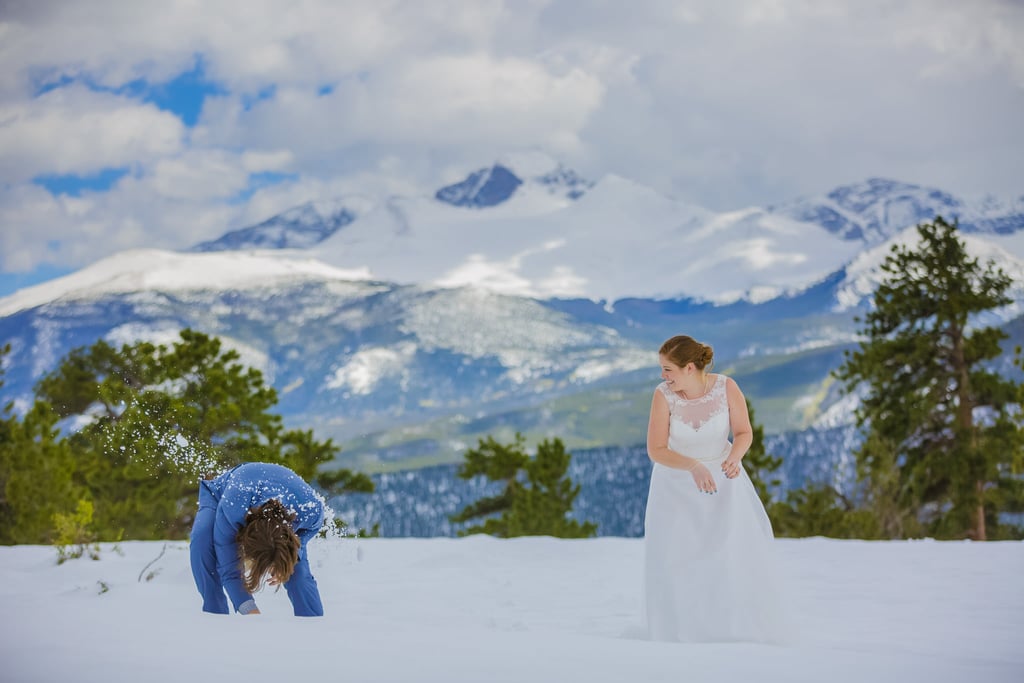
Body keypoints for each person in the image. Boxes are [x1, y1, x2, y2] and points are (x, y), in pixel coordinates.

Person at [643, 335, 783, 642]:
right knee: (678, 558)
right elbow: (656, 449)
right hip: (675, 487)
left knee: (726, 555)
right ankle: (679, 632)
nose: (663, 376)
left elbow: (744, 432)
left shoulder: (726, 388)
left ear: (689, 367)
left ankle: (727, 630)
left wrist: (734, 457)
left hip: (724, 482)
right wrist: (692, 466)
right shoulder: (663, 395)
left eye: (668, 370)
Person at [190, 461, 326, 616]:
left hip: (286, 503)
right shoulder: (233, 509)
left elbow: (309, 530)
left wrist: (288, 560)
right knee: (202, 543)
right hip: (220, 494)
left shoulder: (310, 510)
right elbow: (228, 570)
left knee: (298, 572)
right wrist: (250, 612)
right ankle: (215, 616)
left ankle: (313, 629)